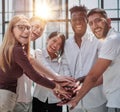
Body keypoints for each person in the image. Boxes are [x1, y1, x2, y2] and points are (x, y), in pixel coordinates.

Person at [0, 15, 70, 112]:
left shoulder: (28, 51)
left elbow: (39, 70)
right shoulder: (17, 49)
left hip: (26, 99)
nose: (37, 31)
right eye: (35, 26)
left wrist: (56, 81)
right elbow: (35, 75)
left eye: (41, 29)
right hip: (14, 99)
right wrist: (56, 83)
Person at [66, 8, 120, 112]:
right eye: (91, 23)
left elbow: (94, 77)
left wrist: (76, 98)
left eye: (98, 20)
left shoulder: (110, 41)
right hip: (113, 99)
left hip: (111, 100)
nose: (95, 26)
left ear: (108, 21)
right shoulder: (114, 38)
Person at [62, 5, 107, 112]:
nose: (78, 22)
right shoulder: (66, 44)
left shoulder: (98, 41)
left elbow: (104, 69)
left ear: (86, 20)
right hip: (74, 101)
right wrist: (71, 83)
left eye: (81, 18)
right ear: (70, 22)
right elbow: (64, 65)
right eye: (74, 19)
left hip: (96, 99)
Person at [32, 31, 71, 112]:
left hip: (55, 101)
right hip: (39, 98)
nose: (55, 45)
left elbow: (65, 77)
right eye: (54, 41)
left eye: (59, 44)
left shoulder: (61, 61)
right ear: (48, 39)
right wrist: (58, 79)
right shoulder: (39, 53)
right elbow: (44, 71)